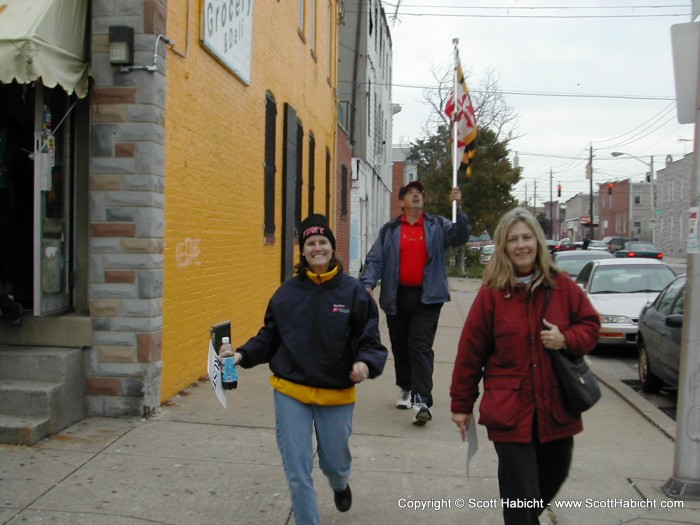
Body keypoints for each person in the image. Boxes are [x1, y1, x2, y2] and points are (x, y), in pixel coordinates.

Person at [231, 214, 387, 525]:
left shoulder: (353, 294)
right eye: (311, 243)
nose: (317, 247)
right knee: (298, 470)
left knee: (334, 464)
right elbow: (270, 337)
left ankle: (340, 484)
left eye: (323, 242)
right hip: (291, 392)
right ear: (303, 251)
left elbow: (370, 341)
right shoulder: (287, 294)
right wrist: (241, 355)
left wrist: (365, 364)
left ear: (332, 247)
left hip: (336, 393)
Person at [450, 207, 600, 525]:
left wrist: (566, 339)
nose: (521, 245)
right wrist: (461, 405)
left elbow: (591, 327)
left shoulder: (562, 287)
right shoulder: (492, 295)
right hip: (510, 413)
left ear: (538, 241)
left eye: (527, 237)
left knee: (551, 479)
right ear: (504, 247)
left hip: (556, 410)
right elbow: (469, 354)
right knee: (519, 501)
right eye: (513, 239)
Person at [360, 181, 470, 425]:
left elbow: (461, 236)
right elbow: (376, 259)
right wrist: (367, 283)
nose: (416, 196)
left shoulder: (438, 225)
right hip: (396, 296)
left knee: (419, 345)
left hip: (427, 297)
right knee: (400, 346)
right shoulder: (390, 230)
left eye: (419, 193)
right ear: (401, 202)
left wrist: (458, 208)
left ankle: (422, 399)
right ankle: (407, 388)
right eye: (410, 193)